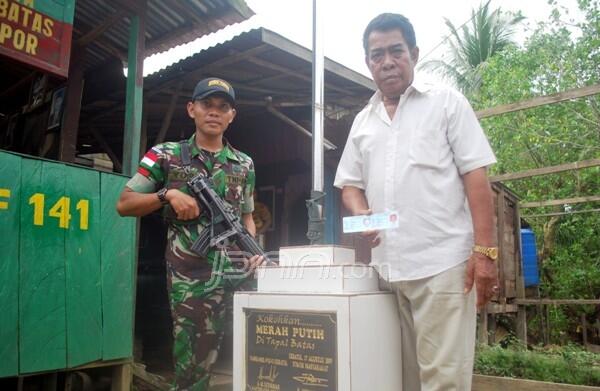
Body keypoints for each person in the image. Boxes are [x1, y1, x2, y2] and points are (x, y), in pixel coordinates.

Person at [334, 13, 499, 391]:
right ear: (368, 62)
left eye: (396, 51)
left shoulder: (446, 103)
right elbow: (349, 186)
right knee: (397, 378)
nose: (387, 61)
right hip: (386, 272)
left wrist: (485, 253)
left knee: (443, 381)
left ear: (415, 53)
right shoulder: (363, 121)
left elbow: (476, 178)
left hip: (442, 266)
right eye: (377, 55)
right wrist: (361, 213)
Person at [116, 77, 263, 391]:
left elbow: (247, 217)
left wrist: (253, 250)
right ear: (191, 109)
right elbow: (124, 203)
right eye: (207, 105)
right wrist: (165, 195)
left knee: (257, 352)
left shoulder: (244, 163)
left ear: (232, 116)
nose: (214, 112)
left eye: (223, 107)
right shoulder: (164, 155)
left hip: (237, 271)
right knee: (192, 365)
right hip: (191, 276)